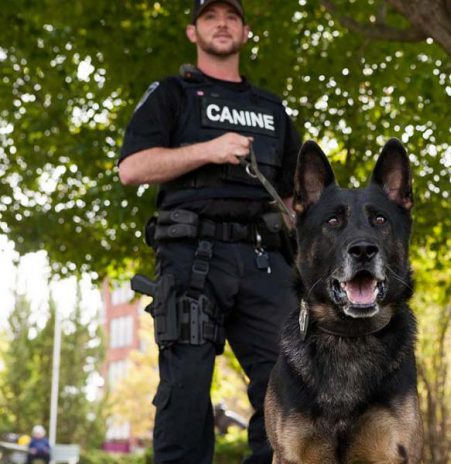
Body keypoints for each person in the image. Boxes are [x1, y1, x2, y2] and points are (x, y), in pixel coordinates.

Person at [118, 1, 300, 463]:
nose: (222, 24)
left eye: (232, 17)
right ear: (192, 32)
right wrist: (209, 150)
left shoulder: (272, 109)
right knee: (186, 388)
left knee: (289, 384)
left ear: (246, 32)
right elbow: (133, 168)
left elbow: (299, 196)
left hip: (264, 259)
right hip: (192, 258)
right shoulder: (172, 94)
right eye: (210, 17)